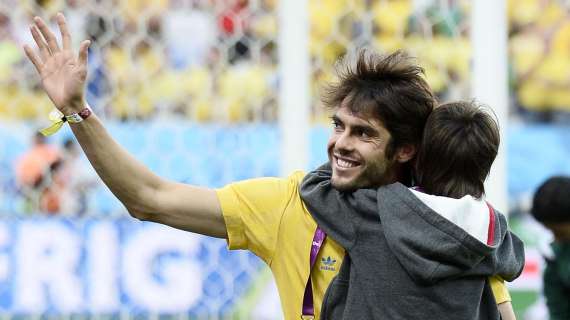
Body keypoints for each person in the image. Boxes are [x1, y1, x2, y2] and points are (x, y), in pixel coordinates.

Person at [22, 13, 516, 319]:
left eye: (364, 134)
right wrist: (78, 112)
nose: (340, 144)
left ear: (405, 150)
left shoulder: (447, 223)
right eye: (338, 125)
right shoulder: (292, 204)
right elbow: (149, 199)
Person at [300, 101, 525, 319]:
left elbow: (313, 187)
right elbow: (515, 262)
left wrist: (362, 156)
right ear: (485, 168)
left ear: (416, 157)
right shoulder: (491, 228)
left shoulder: (374, 209)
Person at [530, 176, 570, 320]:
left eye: (561, 233)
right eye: (551, 231)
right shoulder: (556, 258)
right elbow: (559, 311)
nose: (556, 239)